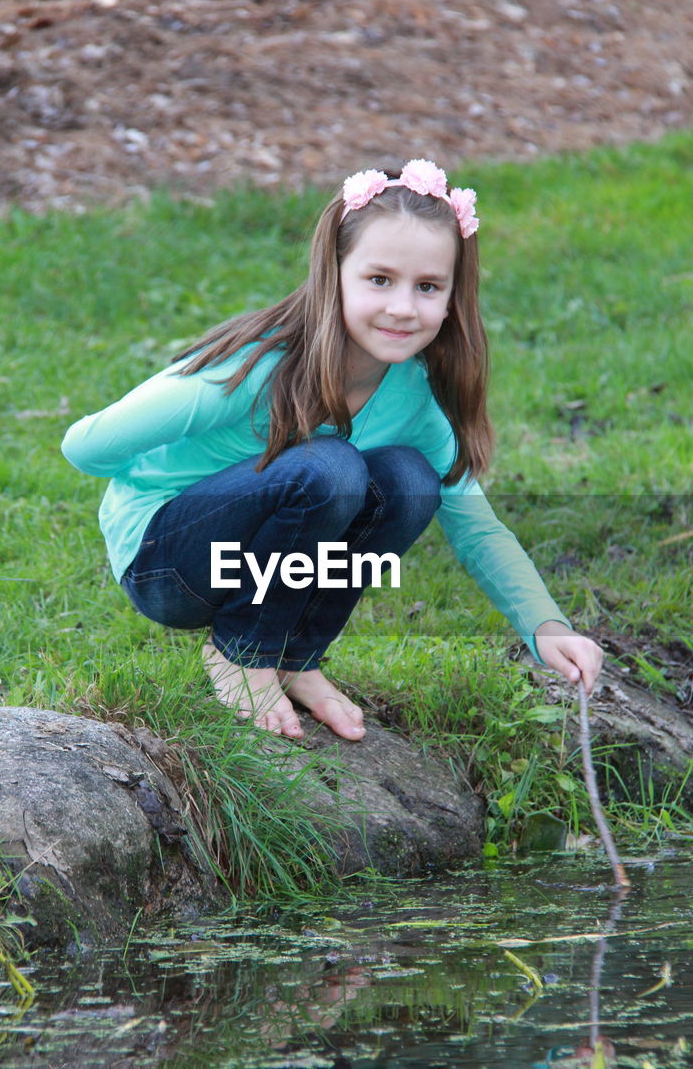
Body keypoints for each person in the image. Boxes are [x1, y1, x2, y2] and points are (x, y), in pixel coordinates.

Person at [62, 159, 603, 740]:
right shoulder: (255, 371)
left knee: (410, 479)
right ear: (335, 273)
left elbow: (476, 526)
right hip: (168, 562)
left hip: (252, 564)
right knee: (330, 468)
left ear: (452, 298)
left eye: (427, 287)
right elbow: (86, 447)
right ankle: (241, 653)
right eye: (379, 279)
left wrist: (546, 625)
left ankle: (294, 655)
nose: (402, 307)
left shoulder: (414, 398)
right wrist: (163, 484)